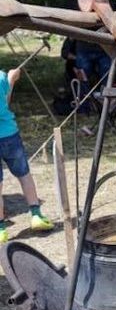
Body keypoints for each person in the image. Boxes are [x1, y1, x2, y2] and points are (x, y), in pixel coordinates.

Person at [0, 68, 54, 243]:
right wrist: (11, 81)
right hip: (9, 135)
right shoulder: (1, 77)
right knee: (24, 175)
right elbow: (5, 103)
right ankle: (36, 215)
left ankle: (1, 229)